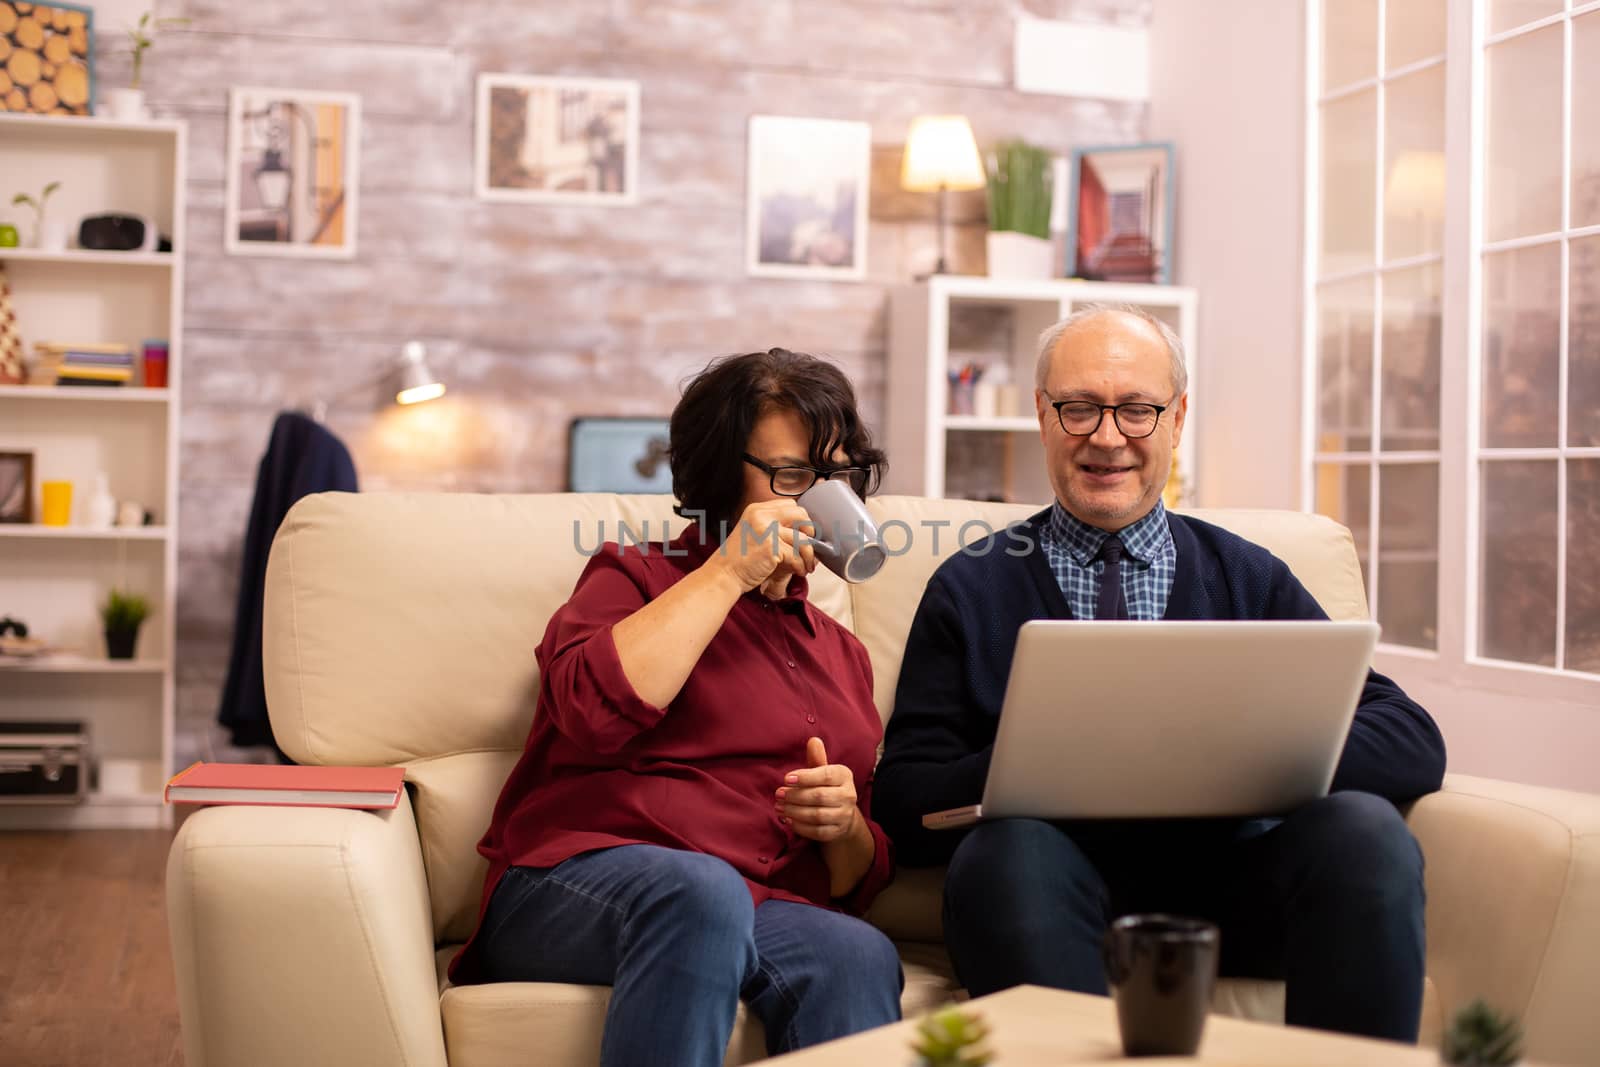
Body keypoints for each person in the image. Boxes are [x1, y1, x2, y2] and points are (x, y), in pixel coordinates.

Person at [874, 305, 1447, 1043]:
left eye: (1137, 410)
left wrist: (1247, 744)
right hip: (1048, 893)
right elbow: (902, 797)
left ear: (1176, 420)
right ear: (1043, 417)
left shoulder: (1248, 576)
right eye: (1079, 408)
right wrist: (1040, 759)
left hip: (1237, 888)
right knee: (1004, 854)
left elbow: (1411, 738)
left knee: (1366, 830)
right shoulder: (971, 585)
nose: (1107, 437)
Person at [449, 348, 903, 1066]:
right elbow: (593, 712)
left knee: (855, 952)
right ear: (722, 475)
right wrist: (729, 567)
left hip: (750, 903)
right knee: (702, 890)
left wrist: (843, 825)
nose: (816, 499)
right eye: (790, 476)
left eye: (835, 476)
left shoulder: (841, 654)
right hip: (567, 887)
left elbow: (849, 879)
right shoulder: (632, 578)